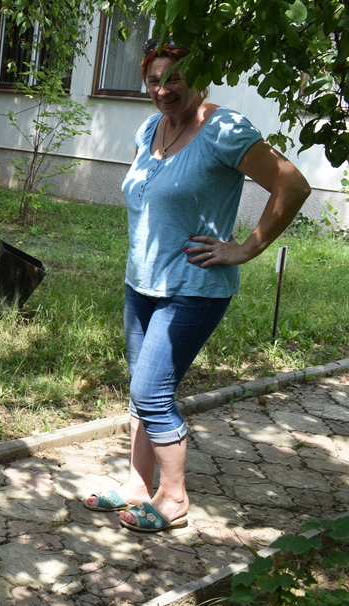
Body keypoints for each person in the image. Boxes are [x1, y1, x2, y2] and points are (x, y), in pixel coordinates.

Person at [82, 39, 311, 533]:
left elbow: (292, 185)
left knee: (152, 391)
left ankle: (173, 498)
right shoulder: (150, 128)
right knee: (142, 392)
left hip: (194, 287)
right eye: (154, 80)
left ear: (199, 79)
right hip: (142, 283)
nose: (163, 90)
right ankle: (137, 485)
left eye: (175, 79)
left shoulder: (225, 129)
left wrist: (246, 247)